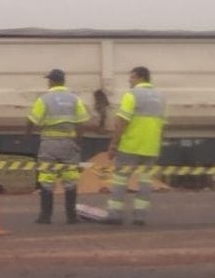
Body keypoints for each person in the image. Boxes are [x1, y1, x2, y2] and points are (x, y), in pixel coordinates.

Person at [26, 68, 91, 224]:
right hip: (69, 143)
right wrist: (78, 142)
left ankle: (45, 216)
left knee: (47, 177)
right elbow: (81, 122)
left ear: (52, 81)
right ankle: (71, 216)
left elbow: (32, 119)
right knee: (70, 179)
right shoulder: (74, 99)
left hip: (49, 143)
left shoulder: (44, 99)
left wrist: (27, 135)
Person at [106, 66, 167, 225]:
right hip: (150, 148)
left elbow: (121, 122)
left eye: (131, 77)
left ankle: (115, 214)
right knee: (145, 182)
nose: (129, 80)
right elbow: (162, 125)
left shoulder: (131, 95)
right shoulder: (161, 98)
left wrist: (113, 144)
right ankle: (140, 217)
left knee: (120, 180)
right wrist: (157, 146)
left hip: (130, 146)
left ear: (140, 77)